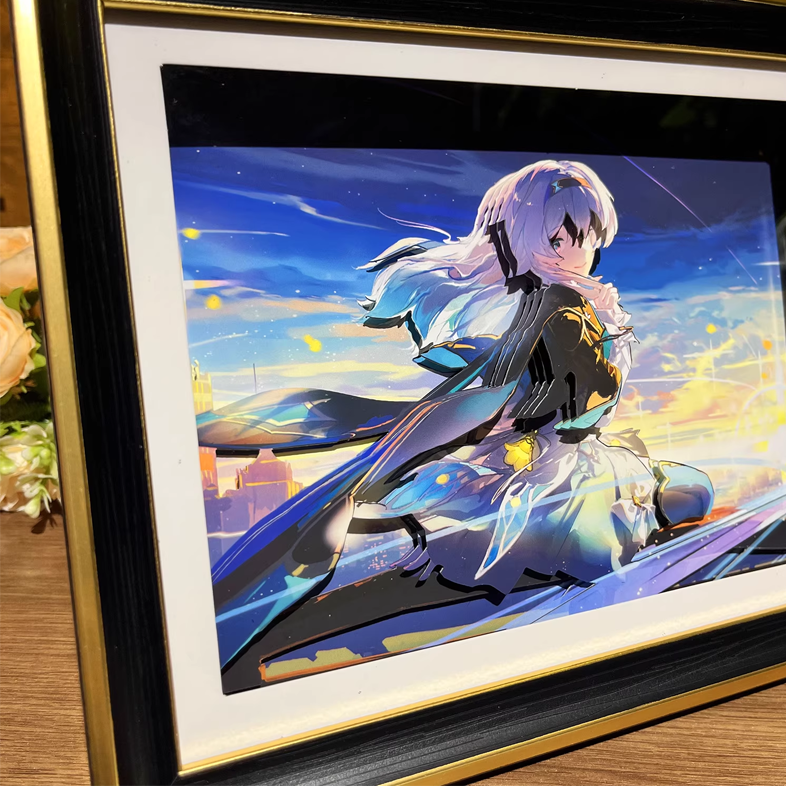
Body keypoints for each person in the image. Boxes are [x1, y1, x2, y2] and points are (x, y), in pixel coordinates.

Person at [201, 160, 713, 687]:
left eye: (581, 236)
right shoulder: (558, 308)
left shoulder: (581, 307)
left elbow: (533, 398)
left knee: (689, 492)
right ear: (519, 237)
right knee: (667, 504)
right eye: (555, 236)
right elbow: (496, 398)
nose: (569, 249)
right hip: (544, 478)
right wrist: (385, 466)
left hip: (569, 462)